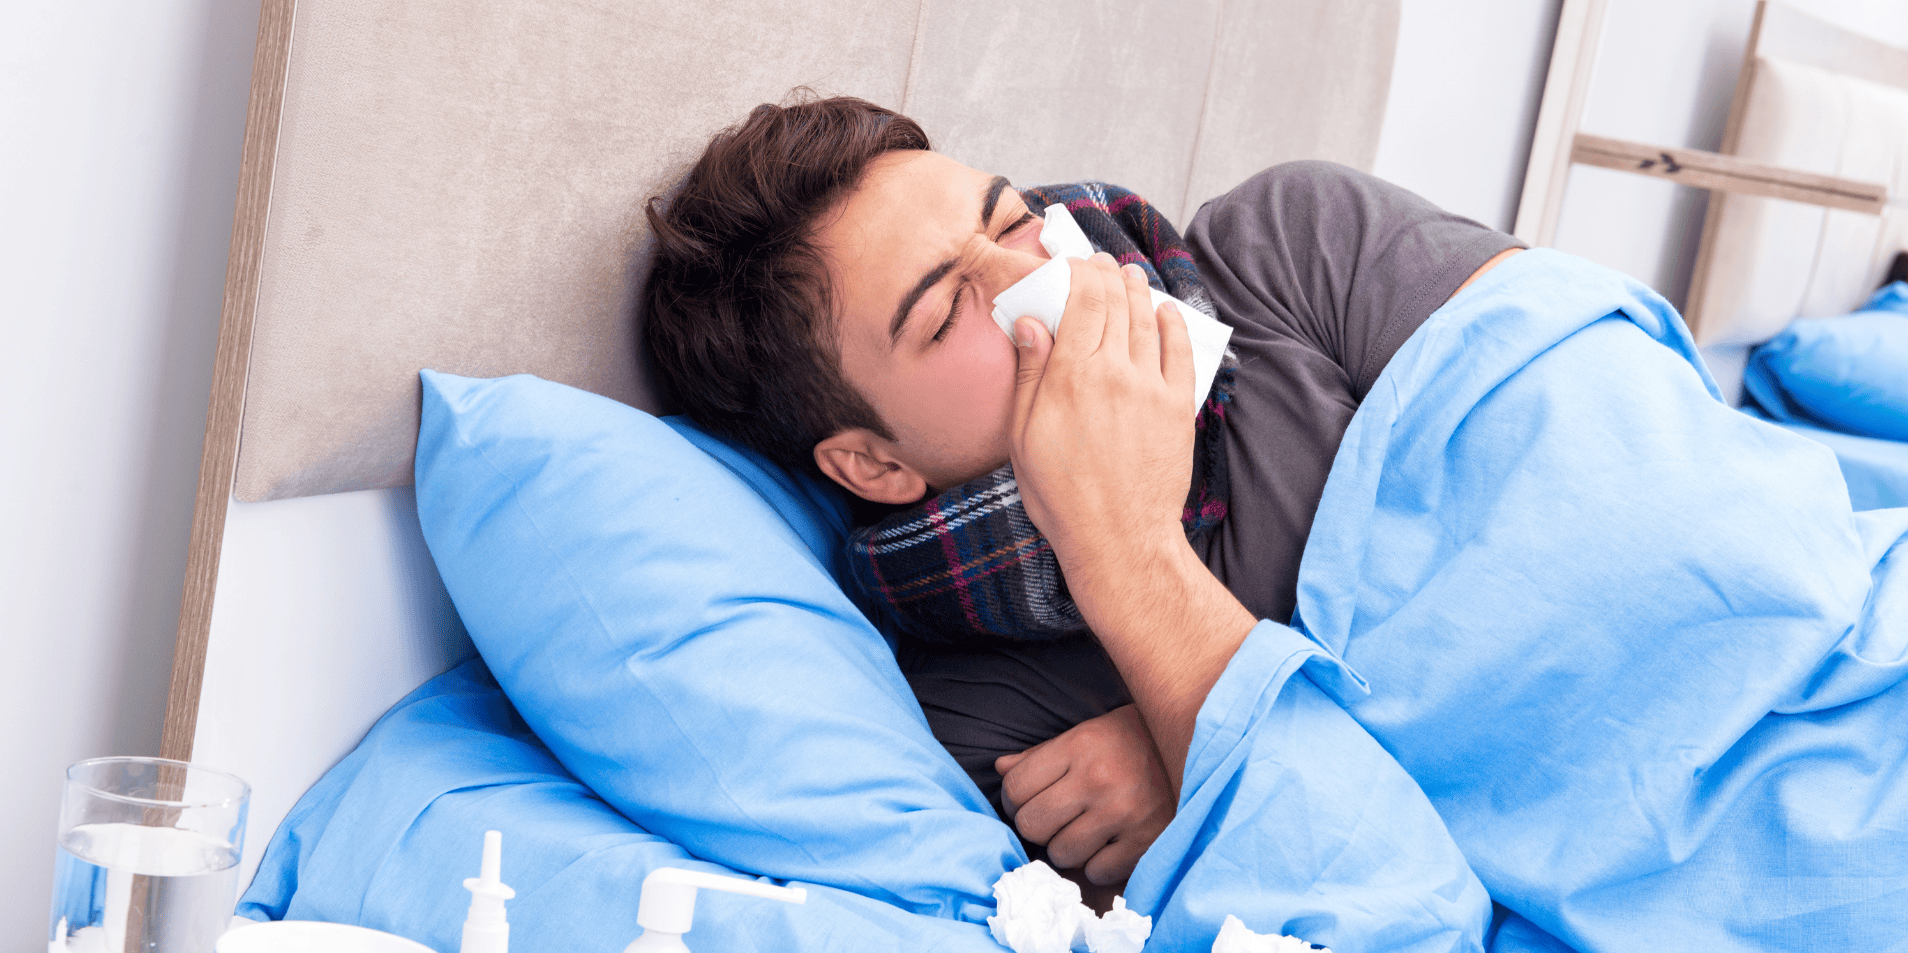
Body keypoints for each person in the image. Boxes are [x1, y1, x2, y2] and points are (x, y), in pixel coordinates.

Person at [642, 96, 1520, 904]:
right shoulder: (983, 731)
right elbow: (1357, 915)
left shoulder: (1296, 245)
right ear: (874, 467)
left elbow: (1607, 530)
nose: (1037, 272)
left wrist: (1191, 756)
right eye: (947, 313)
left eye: (1016, 221)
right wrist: (1125, 556)